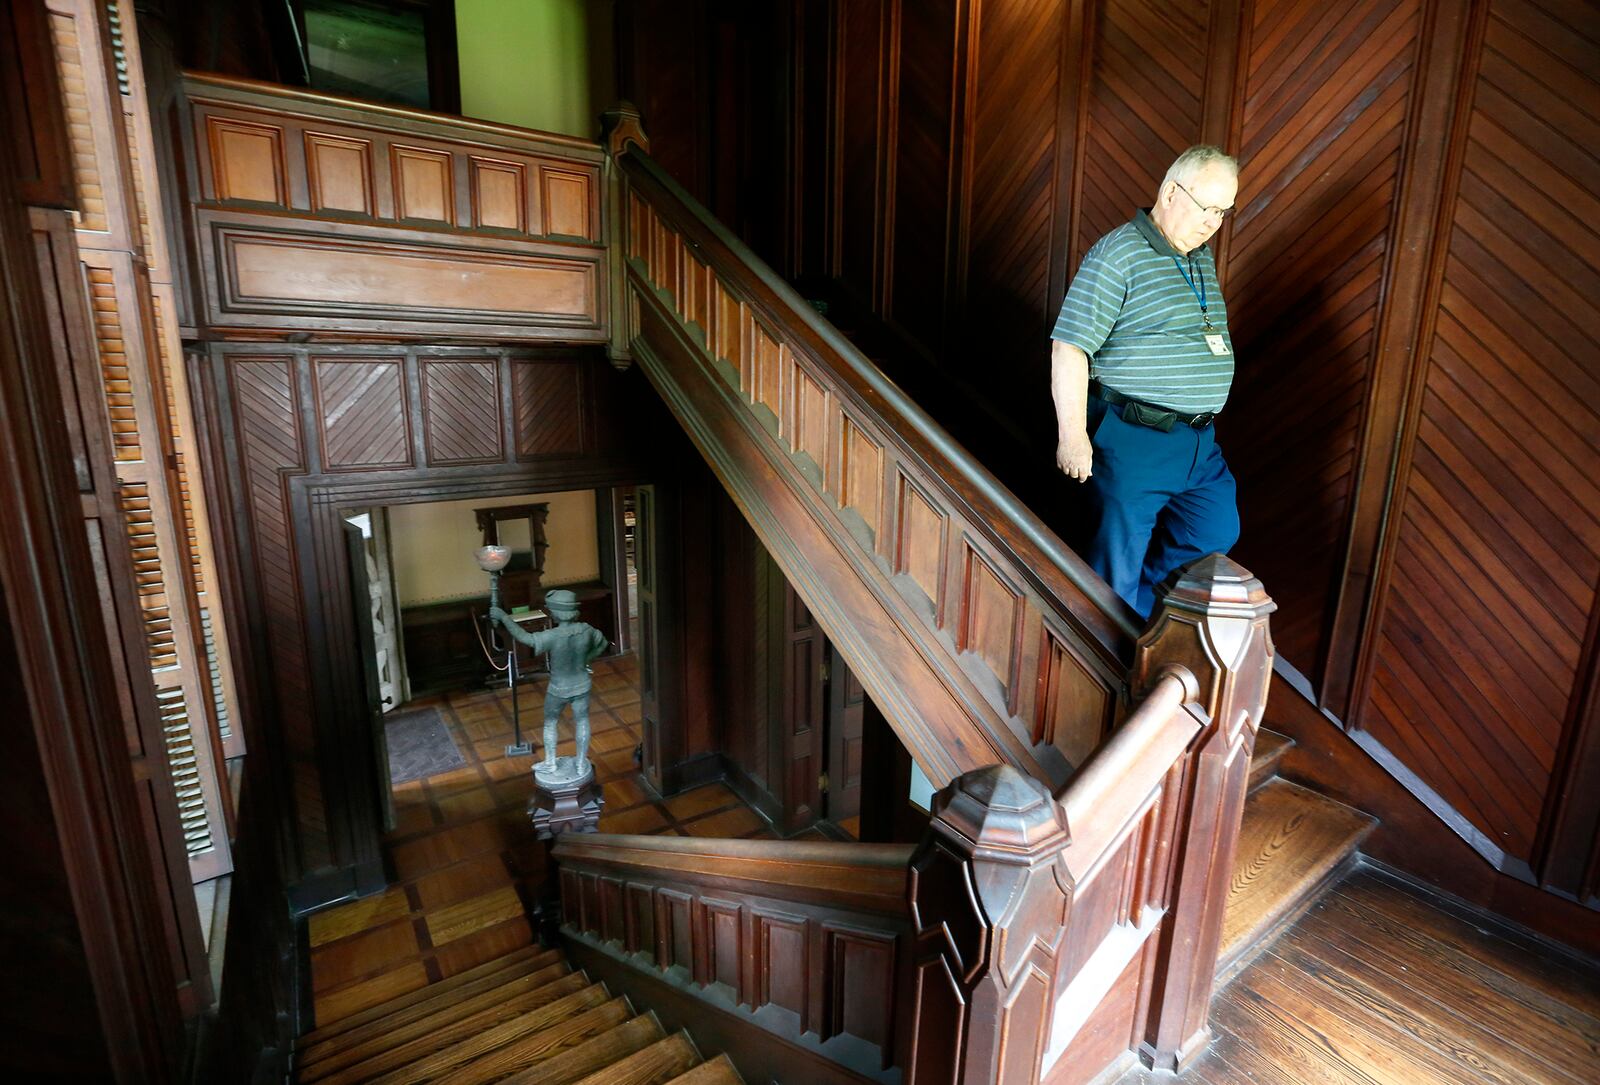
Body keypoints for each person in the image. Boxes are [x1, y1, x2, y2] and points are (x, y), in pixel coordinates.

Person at [1050, 145, 1242, 617]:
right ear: (1172, 193)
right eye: (1206, 208)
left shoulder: (1196, 254)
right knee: (1115, 562)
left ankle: (1141, 620)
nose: (1212, 222)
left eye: (1222, 211)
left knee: (1215, 529)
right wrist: (1072, 437)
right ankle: (1107, 661)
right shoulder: (1120, 253)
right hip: (1135, 435)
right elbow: (1069, 347)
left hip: (1197, 441)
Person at [489, 589, 610, 779]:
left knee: (550, 723)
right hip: (582, 684)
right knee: (582, 721)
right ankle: (580, 763)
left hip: (558, 688)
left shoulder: (553, 636)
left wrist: (504, 617)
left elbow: (525, 638)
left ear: (555, 612)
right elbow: (602, 644)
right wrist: (587, 659)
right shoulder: (587, 630)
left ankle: (551, 762)